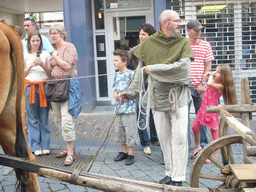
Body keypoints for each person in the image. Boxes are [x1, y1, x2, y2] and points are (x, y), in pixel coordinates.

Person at [120, 10, 194, 186]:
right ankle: (169, 173)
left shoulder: (183, 42)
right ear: (165, 23)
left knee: (180, 138)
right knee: (164, 139)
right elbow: (140, 72)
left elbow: (183, 72)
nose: (180, 24)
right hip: (157, 98)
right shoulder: (150, 43)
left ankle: (179, 177)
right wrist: (129, 93)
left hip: (179, 98)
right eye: (176, 21)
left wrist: (153, 69)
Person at [191, 65, 237, 162]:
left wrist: (209, 75)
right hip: (204, 109)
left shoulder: (221, 86)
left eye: (218, 72)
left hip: (213, 110)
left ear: (224, 76)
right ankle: (197, 146)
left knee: (214, 132)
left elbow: (210, 83)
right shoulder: (214, 82)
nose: (215, 73)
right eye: (215, 71)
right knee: (195, 127)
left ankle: (215, 155)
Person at [49, 24, 78, 166]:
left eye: (55, 33)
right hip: (55, 87)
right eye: (51, 34)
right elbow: (50, 68)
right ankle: (68, 147)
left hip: (67, 86)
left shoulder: (69, 47)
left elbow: (67, 65)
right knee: (58, 119)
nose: (53, 36)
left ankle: (71, 152)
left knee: (67, 119)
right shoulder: (54, 50)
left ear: (62, 34)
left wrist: (54, 56)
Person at [129, 23, 159, 155]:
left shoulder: (157, 48)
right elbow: (124, 60)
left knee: (154, 113)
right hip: (142, 85)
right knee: (141, 114)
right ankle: (145, 143)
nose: (141, 36)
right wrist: (135, 81)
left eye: (144, 34)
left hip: (155, 84)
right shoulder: (136, 49)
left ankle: (154, 138)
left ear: (150, 36)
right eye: (140, 34)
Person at [186, 19, 214, 150]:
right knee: (183, 118)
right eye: (196, 29)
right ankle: (185, 145)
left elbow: (208, 65)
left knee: (201, 117)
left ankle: (202, 146)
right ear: (188, 31)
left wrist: (203, 83)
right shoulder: (183, 45)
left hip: (200, 87)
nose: (199, 32)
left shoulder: (206, 45)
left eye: (200, 29)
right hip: (185, 87)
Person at [24, 30, 51, 156]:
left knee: (44, 117)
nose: (35, 43)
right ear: (29, 42)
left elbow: (49, 73)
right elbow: (21, 74)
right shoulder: (24, 55)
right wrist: (31, 65)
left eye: (37, 40)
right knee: (32, 118)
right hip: (30, 87)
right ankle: (35, 146)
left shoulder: (45, 54)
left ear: (41, 41)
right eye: (33, 40)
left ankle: (45, 145)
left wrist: (42, 65)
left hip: (43, 87)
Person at [112, 49, 139, 166]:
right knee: (120, 131)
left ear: (124, 62)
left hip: (129, 109)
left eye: (116, 60)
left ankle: (131, 154)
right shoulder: (116, 75)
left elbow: (138, 90)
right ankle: (123, 151)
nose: (114, 62)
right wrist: (116, 95)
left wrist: (126, 94)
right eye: (113, 60)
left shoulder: (132, 74)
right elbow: (114, 90)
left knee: (130, 131)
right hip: (118, 109)